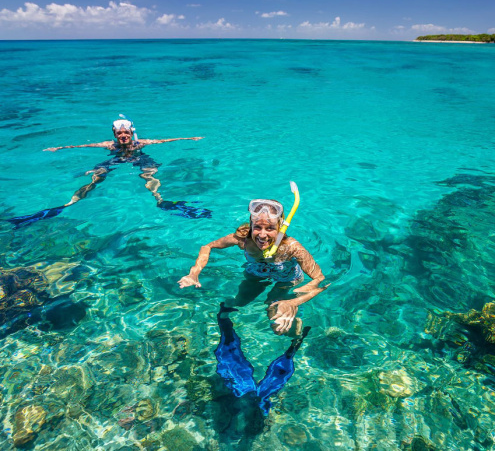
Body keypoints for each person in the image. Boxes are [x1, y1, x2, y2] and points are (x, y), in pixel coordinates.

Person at [8, 116, 211, 228]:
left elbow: (165, 140)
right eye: (119, 133)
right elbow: (83, 146)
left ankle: (160, 200)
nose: (123, 135)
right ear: (115, 134)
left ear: (132, 133)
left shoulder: (142, 142)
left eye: (126, 132)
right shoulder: (109, 146)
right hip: (116, 159)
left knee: (149, 175)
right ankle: (69, 203)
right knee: (95, 177)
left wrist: (189, 138)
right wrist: (60, 148)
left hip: (139, 158)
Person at [178, 188, 327, 335]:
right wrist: (194, 272)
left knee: (276, 320)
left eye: (270, 228)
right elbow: (208, 246)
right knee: (240, 302)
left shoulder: (292, 247)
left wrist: (294, 302)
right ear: (251, 224)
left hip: (286, 278)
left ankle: (293, 322)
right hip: (256, 273)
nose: (262, 235)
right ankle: (228, 306)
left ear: (281, 227)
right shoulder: (243, 239)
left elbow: (320, 279)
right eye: (257, 227)